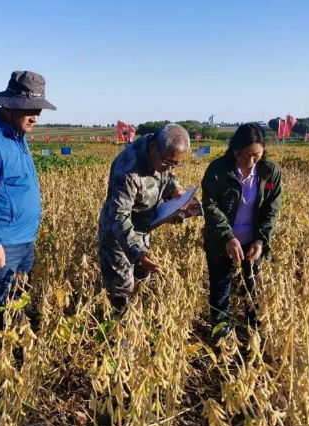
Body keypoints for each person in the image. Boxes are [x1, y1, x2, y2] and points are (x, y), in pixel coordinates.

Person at [0, 71, 56, 372]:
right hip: (3, 241)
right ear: (11, 105)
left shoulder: (16, 135)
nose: (35, 117)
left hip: (23, 239)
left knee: (15, 302)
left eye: (38, 111)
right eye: (30, 110)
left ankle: (7, 364)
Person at [98, 124, 201, 312]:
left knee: (141, 280)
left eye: (175, 164)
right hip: (118, 233)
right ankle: (119, 332)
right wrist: (139, 253)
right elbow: (118, 216)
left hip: (143, 226)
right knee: (122, 286)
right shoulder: (128, 169)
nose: (168, 168)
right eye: (167, 163)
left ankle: (136, 324)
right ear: (153, 147)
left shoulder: (161, 154)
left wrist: (174, 189)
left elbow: (165, 176)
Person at [201, 123, 282, 338]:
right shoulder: (218, 170)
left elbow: (271, 210)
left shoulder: (270, 172)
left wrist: (260, 241)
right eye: (245, 154)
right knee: (221, 288)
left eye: (256, 154)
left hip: (252, 243)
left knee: (253, 286)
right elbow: (210, 207)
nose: (250, 160)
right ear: (235, 149)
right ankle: (221, 335)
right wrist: (227, 237)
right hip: (221, 241)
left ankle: (255, 332)